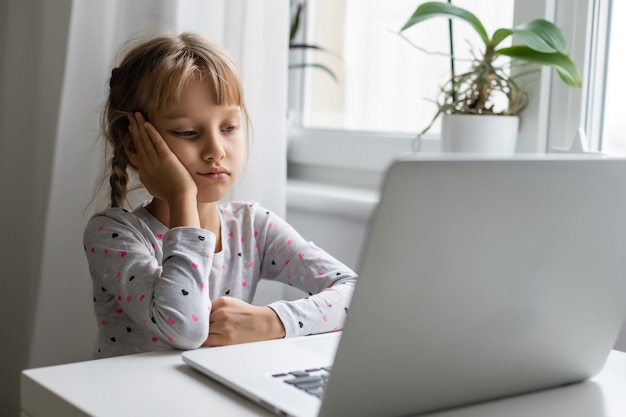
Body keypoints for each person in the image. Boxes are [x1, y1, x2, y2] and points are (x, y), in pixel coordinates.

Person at [83, 32, 357, 359]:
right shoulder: (113, 234)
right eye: (188, 132)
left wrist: (273, 322)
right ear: (134, 144)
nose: (216, 150)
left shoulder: (253, 227)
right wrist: (183, 196)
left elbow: (356, 293)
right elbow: (184, 327)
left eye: (228, 127)